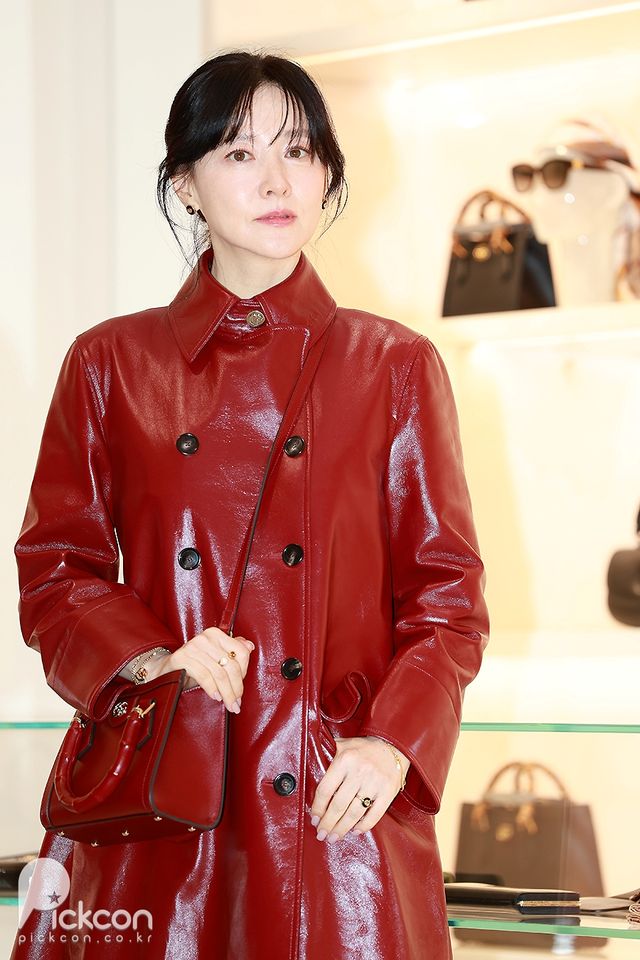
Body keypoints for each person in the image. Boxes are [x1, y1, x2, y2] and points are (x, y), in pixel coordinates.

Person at [13, 51, 489, 960]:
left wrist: (393, 745)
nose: (277, 181)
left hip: (334, 804)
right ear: (185, 184)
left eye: (299, 151)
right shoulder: (110, 364)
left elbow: (448, 598)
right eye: (238, 153)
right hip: (168, 788)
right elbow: (55, 572)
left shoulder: (393, 365)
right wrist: (154, 657)